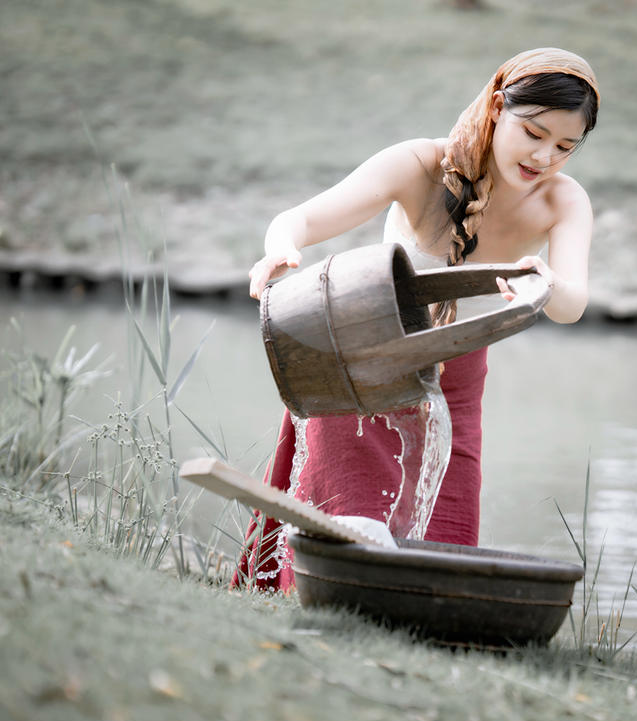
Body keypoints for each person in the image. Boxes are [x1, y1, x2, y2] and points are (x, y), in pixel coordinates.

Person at [233, 48, 600, 592]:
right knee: (346, 522)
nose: (545, 156)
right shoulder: (420, 164)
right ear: (498, 107)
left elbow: (572, 305)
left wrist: (545, 281)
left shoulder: (563, 201)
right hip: (367, 363)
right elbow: (304, 216)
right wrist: (282, 248)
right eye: (534, 133)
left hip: (456, 385)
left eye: (565, 147)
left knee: (444, 539)